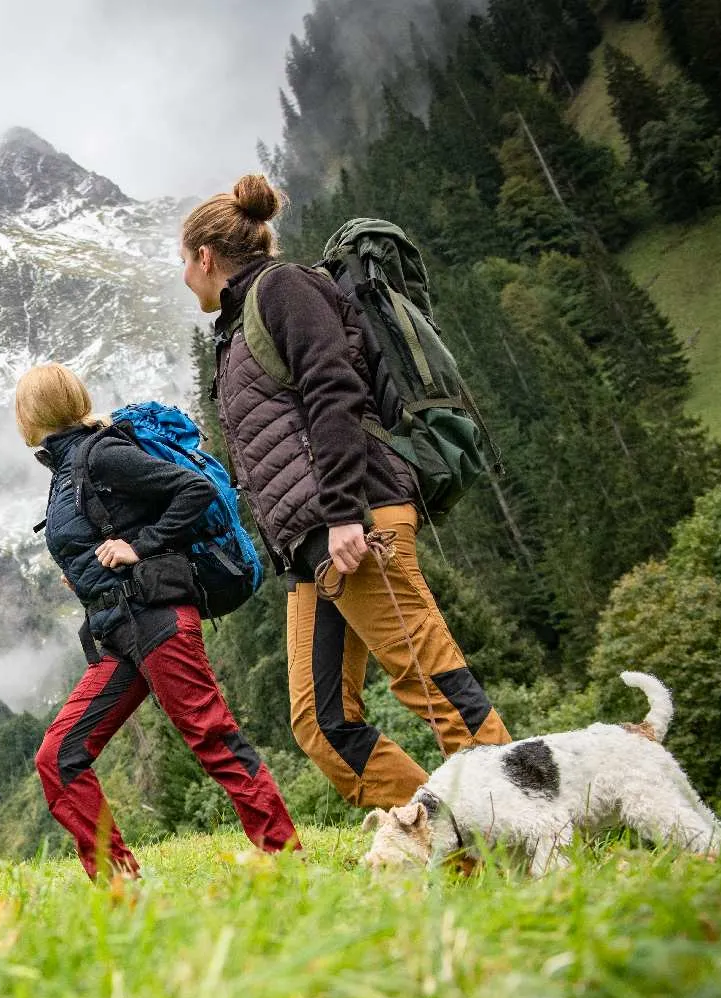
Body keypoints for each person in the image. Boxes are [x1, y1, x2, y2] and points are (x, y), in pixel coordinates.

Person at [179, 175, 511, 812]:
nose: (185, 278)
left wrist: (340, 516)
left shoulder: (284, 287)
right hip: (314, 545)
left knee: (428, 677)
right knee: (321, 722)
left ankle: (521, 823)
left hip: (352, 518)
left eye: (183, 264)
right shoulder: (238, 322)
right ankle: (444, 831)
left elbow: (333, 392)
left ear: (205, 257)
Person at [16, 362, 298, 880]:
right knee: (59, 757)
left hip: (157, 618)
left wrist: (137, 546)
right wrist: (87, 573)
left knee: (211, 737)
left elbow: (196, 490)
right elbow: (100, 532)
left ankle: (286, 860)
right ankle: (120, 886)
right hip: (118, 629)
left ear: (29, 414)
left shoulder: (100, 454)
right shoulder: (65, 470)